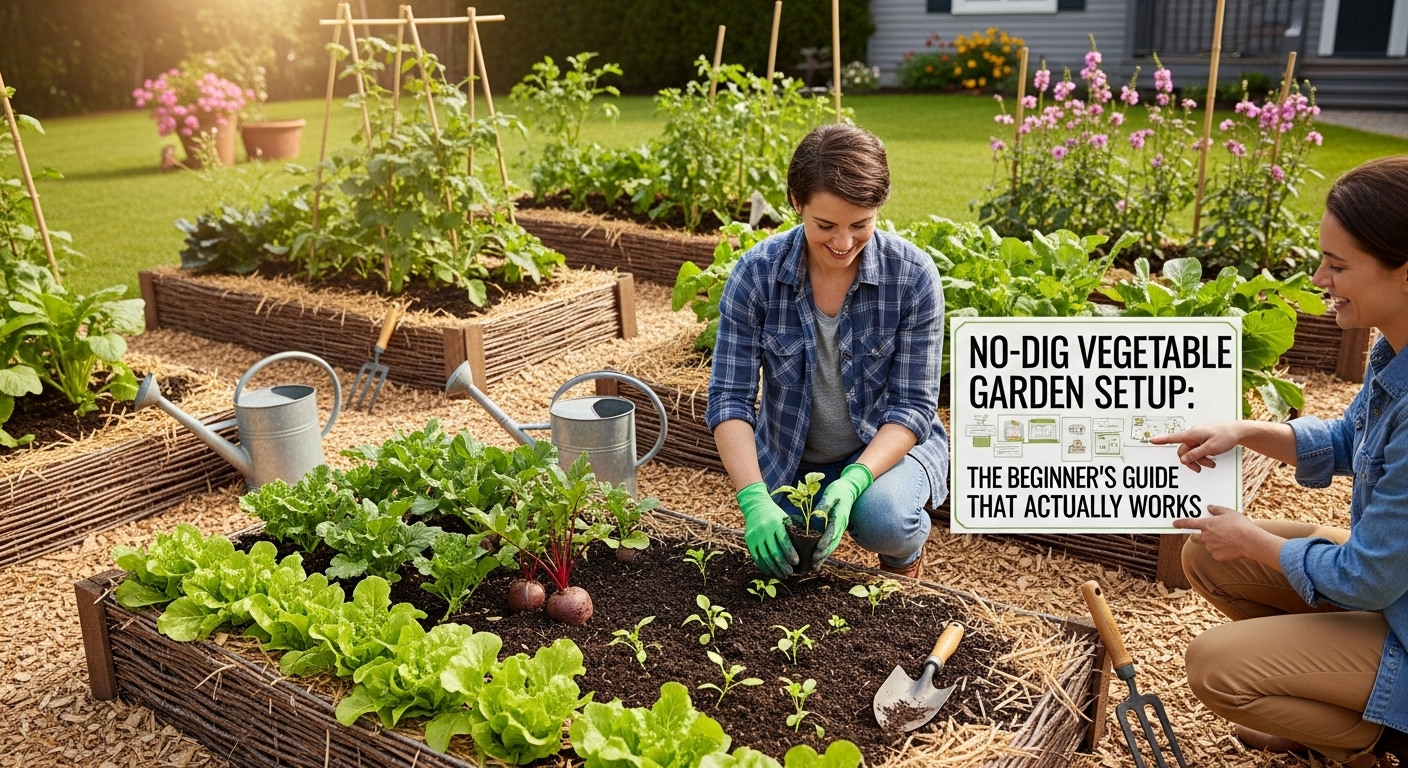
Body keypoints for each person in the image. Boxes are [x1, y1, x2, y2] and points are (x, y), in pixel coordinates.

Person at [1152, 156, 1408, 767]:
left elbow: (1366, 579)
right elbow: (1349, 438)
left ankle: (1378, 738)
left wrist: (1256, 541)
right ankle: (1321, 715)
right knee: (1207, 553)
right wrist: (1242, 431)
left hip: (1397, 609)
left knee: (1214, 666)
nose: (1320, 277)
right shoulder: (1393, 350)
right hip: (1396, 590)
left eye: (1338, 266)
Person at [705, 124, 948, 581]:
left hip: (884, 455)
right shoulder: (756, 274)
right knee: (783, 563)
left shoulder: (912, 276)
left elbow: (913, 406)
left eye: (860, 225)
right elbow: (729, 399)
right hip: (792, 459)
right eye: (825, 225)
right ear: (796, 202)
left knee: (884, 518)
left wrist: (856, 479)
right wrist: (754, 499)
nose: (843, 243)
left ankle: (903, 559)